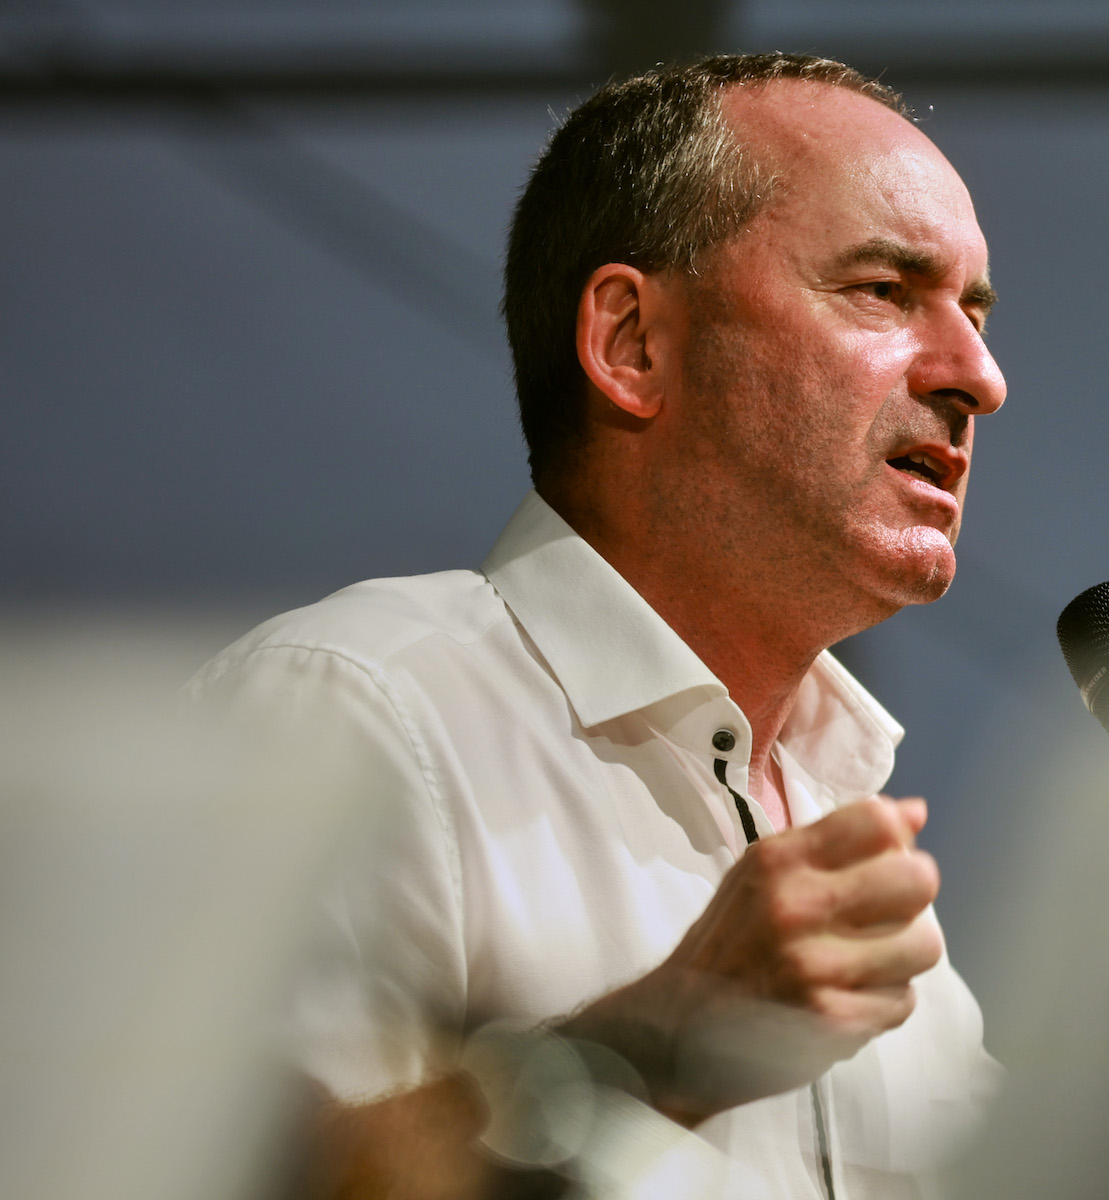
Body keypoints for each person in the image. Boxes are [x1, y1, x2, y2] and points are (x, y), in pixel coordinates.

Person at [188, 53, 1007, 1199]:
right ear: (631, 342)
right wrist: (649, 1043)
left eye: (972, 311)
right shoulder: (357, 712)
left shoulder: (851, 810)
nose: (980, 375)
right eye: (883, 290)